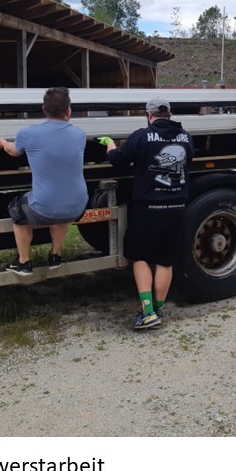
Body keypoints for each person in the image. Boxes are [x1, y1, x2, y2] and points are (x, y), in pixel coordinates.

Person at [97, 96, 194, 329]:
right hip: (177, 207)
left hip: (149, 209)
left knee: (140, 257)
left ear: (149, 115)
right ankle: (158, 310)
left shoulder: (142, 135)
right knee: (165, 261)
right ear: (170, 114)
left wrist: (110, 144)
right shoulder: (186, 137)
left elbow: (118, 160)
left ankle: (148, 312)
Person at [0, 86, 88, 276]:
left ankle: (24, 262)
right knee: (61, 207)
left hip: (46, 207)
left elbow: (13, 151)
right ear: (69, 111)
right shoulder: (80, 135)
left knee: (17, 210)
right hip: (77, 206)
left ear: (44, 109)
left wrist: (1, 143)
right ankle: (55, 256)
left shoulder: (28, 133)